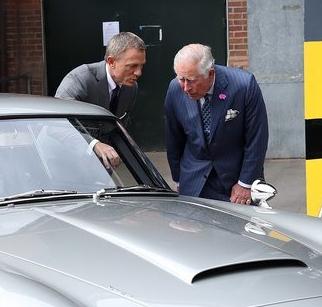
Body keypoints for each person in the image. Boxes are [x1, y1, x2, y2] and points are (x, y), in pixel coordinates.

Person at [164, 43, 268, 204]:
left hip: (236, 181)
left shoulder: (244, 86)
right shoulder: (174, 90)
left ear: (210, 74)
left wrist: (245, 184)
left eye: (191, 80)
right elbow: (173, 139)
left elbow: (257, 139)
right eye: (181, 79)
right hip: (194, 181)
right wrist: (179, 180)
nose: (185, 87)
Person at [55, 32, 146, 168]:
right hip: (60, 160)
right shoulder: (79, 79)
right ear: (111, 61)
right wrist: (94, 144)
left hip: (99, 166)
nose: (139, 73)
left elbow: (118, 126)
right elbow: (56, 126)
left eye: (141, 66)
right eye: (132, 66)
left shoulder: (131, 88)